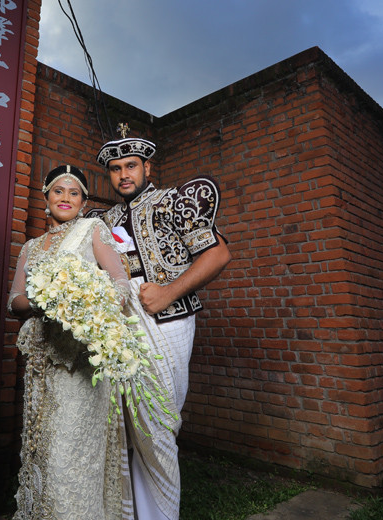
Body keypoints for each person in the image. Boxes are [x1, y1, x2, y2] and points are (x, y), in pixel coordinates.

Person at [88, 134, 232, 520]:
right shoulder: (104, 221)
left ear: (147, 168)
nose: (123, 174)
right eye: (115, 169)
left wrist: (168, 292)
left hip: (166, 321)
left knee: (157, 421)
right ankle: (129, 513)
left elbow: (218, 253)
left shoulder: (172, 202)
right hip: (119, 330)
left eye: (131, 166)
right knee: (123, 423)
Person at [7, 164, 135, 520]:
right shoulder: (31, 247)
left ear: (83, 202)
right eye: (58, 191)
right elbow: (14, 301)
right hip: (41, 365)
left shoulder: (92, 230)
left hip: (80, 360)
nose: (66, 198)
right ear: (46, 197)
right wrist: (44, 299)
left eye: (74, 192)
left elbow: (121, 283)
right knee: (42, 450)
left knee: (70, 453)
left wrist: (91, 308)